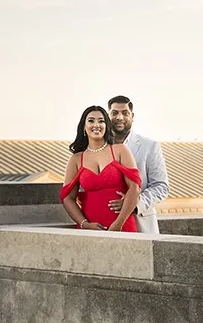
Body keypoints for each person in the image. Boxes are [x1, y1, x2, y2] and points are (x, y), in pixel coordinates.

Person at [59, 104, 142, 232]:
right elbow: (67, 198)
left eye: (101, 121)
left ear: (107, 126)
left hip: (122, 226)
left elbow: (135, 187)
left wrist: (118, 224)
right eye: (91, 121)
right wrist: (84, 224)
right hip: (91, 230)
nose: (96, 125)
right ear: (84, 127)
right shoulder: (76, 159)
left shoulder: (120, 150)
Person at [105, 94, 169, 234]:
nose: (119, 117)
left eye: (125, 113)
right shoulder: (99, 147)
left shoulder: (149, 146)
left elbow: (161, 186)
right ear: (108, 116)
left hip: (140, 223)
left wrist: (133, 203)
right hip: (105, 222)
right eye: (114, 113)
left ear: (132, 116)